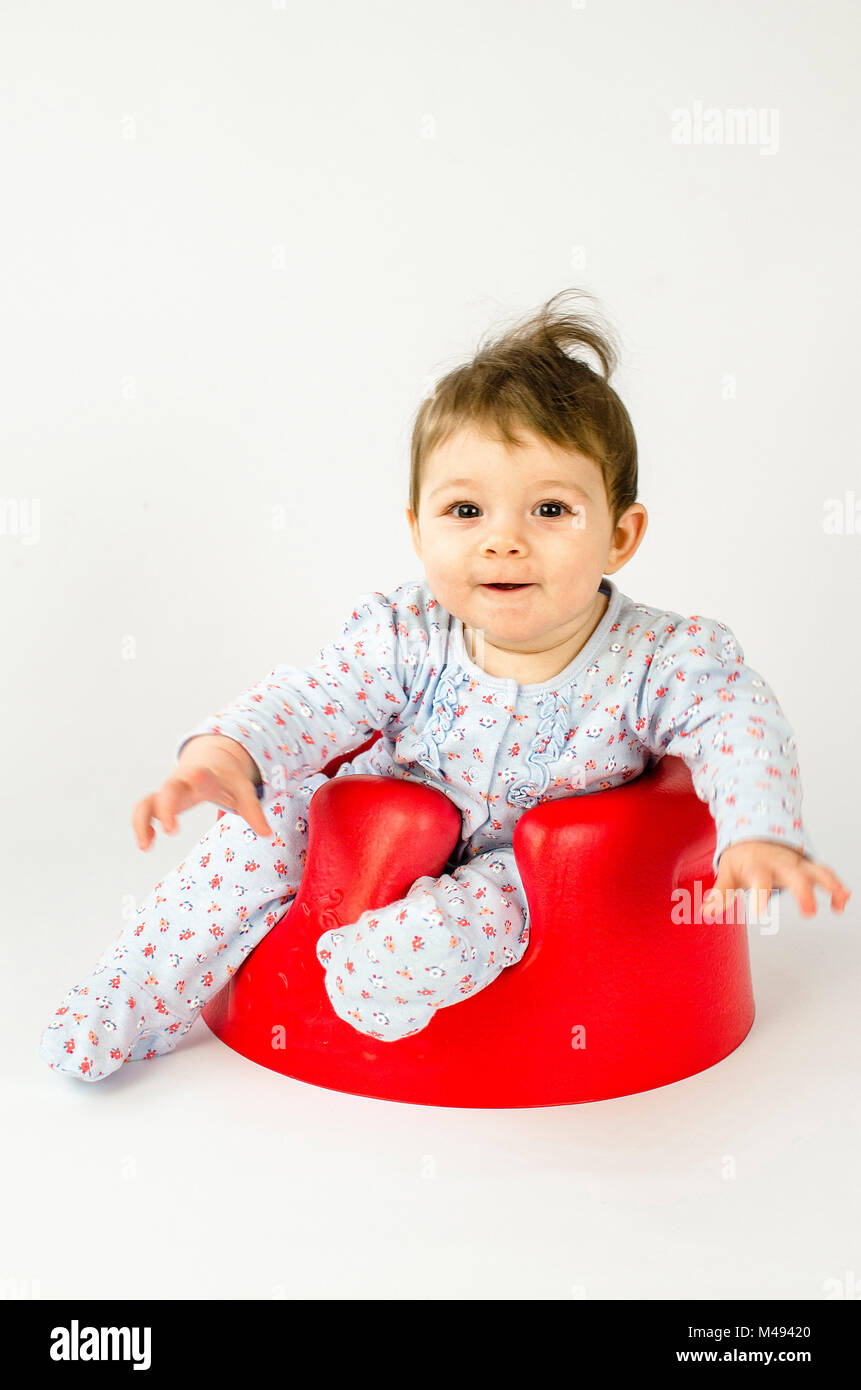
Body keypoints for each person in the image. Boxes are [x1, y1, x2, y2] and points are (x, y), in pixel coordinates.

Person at [39, 288, 851, 1082]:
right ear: (416, 528)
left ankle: (371, 975)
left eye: (549, 511)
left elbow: (735, 719)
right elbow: (317, 696)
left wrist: (757, 830)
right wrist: (229, 750)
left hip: (529, 870)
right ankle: (128, 997)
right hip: (372, 824)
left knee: (470, 919)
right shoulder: (407, 631)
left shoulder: (658, 657)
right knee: (259, 832)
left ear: (620, 536)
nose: (502, 543)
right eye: (465, 512)